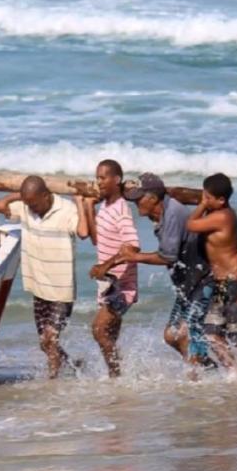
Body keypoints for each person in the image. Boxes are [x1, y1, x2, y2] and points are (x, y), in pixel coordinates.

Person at [106, 173, 213, 375]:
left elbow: (168, 257)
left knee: (186, 333)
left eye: (139, 199)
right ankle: (207, 369)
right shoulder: (162, 213)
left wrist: (133, 257)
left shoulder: (172, 214)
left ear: (153, 198)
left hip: (203, 280)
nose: (136, 203)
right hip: (188, 284)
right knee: (171, 335)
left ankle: (197, 378)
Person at [0, 176, 83, 378]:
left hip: (61, 290)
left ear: (46, 195)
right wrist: (20, 197)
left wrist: (81, 202)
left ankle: (52, 382)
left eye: (34, 203)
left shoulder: (66, 209)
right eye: (28, 203)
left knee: (49, 340)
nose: (31, 208)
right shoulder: (26, 207)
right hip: (38, 287)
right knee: (45, 343)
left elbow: (83, 231)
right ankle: (73, 365)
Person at [186, 173, 237, 379]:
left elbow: (190, 225)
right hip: (222, 283)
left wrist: (200, 204)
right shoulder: (216, 213)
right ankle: (235, 373)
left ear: (221, 200)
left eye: (208, 197)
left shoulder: (223, 216)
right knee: (211, 333)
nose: (204, 200)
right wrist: (206, 202)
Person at [80, 160, 140, 378]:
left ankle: (117, 376)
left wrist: (105, 265)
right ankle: (119, 381)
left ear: (116, 180)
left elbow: (133, 246)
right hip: (107, 285)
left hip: (122, 285)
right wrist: (88, 207)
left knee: (99, 329)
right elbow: (98, 240)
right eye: (97, 178)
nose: (99, 182)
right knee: (110, 336)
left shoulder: (121, 210)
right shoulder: (106, 207)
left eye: (103, 178)